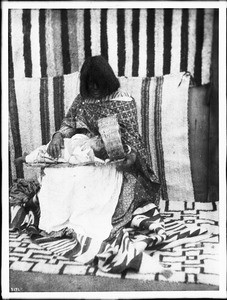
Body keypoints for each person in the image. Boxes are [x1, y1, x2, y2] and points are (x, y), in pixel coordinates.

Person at [20, 55, 171, 276]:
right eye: (89, 83)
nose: (93, 87)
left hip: (119, 159)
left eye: (97, 83)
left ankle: (85, 223)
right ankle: (64, 222)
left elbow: (131, 138)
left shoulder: (124, 100)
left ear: (107, 80)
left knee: (95, 180)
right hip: (89, 151)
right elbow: (69, 123)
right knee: (61, 175)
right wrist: (57, 137)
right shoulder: (82, 98)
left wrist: (125, 156)